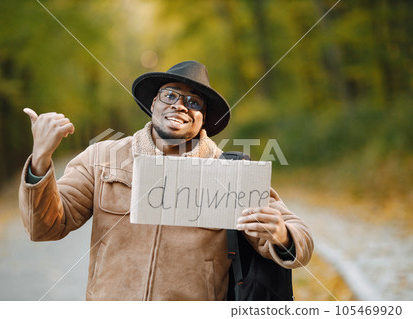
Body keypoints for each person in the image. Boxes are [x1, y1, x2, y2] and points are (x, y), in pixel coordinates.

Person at [19, 60, 313, 301]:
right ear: (154, 103)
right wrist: (41, 160)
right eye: (170, 95)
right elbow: (44, 226)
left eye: (193, 102)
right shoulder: (102, 158)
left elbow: (300, 238)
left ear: (203, 119)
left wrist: (282, 234)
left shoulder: (229, 172)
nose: (180, 105)